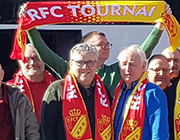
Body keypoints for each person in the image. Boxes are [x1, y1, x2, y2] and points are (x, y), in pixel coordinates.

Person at [27, 21, 164, 89]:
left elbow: (140, 53)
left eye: (107, 44)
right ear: (87, 48)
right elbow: (45, 54)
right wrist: (29, 26)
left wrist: (158, 29)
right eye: (101, 44)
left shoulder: (114, 72)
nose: (106, 47)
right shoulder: (72, 69)